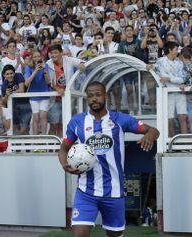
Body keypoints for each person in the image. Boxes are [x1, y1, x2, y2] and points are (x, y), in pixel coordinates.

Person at [58, 81, 160, 237]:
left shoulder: (120, 120)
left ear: (105, 96)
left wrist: (150, 136)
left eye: (98, 95)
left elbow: (153, 130)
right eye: (90, 95)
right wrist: (65, 164)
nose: (94, 99)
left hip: (113, 191)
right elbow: (64, 148)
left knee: (115, 235)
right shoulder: (77, 122)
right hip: (86, 191)